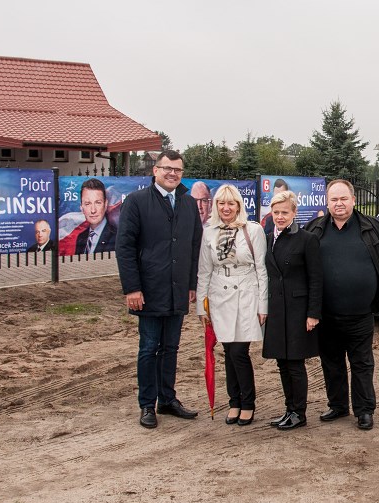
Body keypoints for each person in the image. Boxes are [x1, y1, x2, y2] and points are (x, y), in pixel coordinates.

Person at [304, 179, 379, 430]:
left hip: (361, 314)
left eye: (343, 199)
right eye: (334, 199)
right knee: (332, 363)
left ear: (353, 200)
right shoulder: (314, 229)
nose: (339, 204)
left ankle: (364, 410)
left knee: (362, 364)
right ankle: (338, 406)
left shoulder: (373, 228)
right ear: (327, 202)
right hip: (326, 315)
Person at [116, 150, 203, 429]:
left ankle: (167, 399)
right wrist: (132, 288)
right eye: (167, 168)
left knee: (171, 348)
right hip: (149, 290)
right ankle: (147, 404)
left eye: (177, 170)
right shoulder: (137, 201)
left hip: (178, 290)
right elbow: (125, 247)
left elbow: (194, 246)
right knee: (149, 348)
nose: (172, 174)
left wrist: (191, 284)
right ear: (155, 170)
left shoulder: (188, 203)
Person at [196, 184, 268, 426]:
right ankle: (234, 402)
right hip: (220, 297)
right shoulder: (209, 232)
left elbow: (262, 269)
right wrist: (201, 306)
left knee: (239, 352)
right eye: (221, 203)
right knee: (228, 352)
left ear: (238, 205)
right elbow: (204, 271)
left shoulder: (253, 230)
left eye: (231, 203)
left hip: (246, 295)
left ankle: (248, 403)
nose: (226, 208)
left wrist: (263, 305)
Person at [263, 191, 322, 431]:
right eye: (276, 212)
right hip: (277, 310)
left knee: (295, 364)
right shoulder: (269, 238)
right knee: (282, 363)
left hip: (298, 311)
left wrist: (313, 313)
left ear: (294, 213)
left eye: (284, 212)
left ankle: (299, 413)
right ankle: (289, 410)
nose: (280, 217)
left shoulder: (307, 239)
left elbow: (316, 279)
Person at [75, 178, 116, 255]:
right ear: (81, 207)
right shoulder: (81, 237)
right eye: (87, 204)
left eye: (98, 203)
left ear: (105, 204)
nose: (93, 210)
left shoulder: (116, 237)